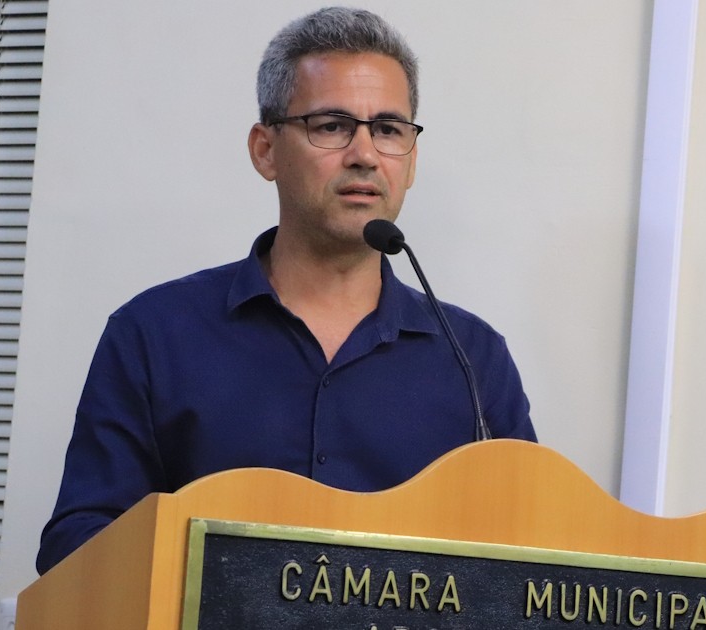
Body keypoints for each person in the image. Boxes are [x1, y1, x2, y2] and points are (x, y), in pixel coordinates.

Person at [36, 6, 537, 575]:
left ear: (411, 159)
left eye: (388, 130)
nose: (365, 154)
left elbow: (532, 560)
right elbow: (77, 546)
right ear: (265, 150)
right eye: (332, 125)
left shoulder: (473, 357)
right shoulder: (154, 334)